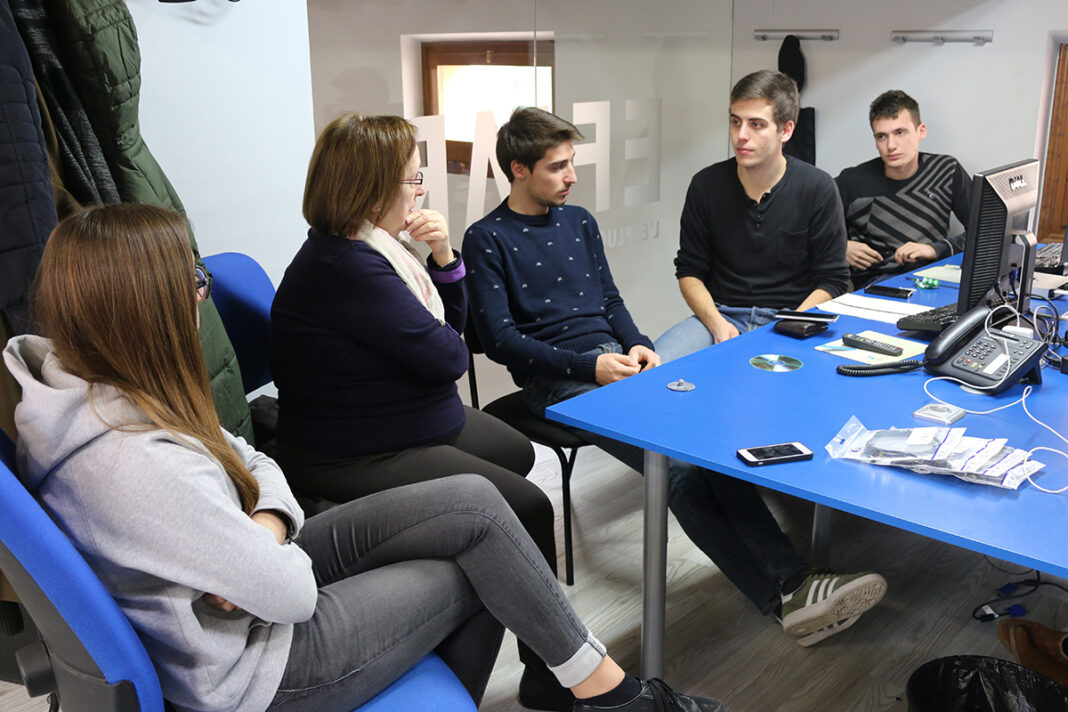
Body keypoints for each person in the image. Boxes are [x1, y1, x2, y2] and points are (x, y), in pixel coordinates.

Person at [4, 203, 723, 712]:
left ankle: (598, 687)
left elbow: (255, 455)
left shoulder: (90, 389)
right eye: (194, 283)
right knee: (478, 570)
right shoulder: (135, 464)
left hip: (248, 579)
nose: (205, 294)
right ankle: (615, 696)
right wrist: (265, 535)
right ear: (149, 309)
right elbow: (290, 595)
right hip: (256, 668)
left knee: (479, 504)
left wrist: (266, 523)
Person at [462, 106, 885, 648]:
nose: (571, 177)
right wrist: (588, 366)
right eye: (558, 167)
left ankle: (796, 586)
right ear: (519, 170)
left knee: (705, 449)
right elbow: (499, 343)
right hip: (559, 382)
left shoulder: (579, 220)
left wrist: (636, 342)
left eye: (572, 164)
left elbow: (608, 299)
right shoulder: (487, 238)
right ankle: (784, 595)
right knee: (679, 470)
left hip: (614, 360)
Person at [268, 114, 565, 709]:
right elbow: (454, 355)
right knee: (528, 504)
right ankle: (548, 670)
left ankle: (480, 570)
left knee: (516, 450)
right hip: (350, 450)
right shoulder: (351, 268)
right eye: (411, 180)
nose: (418, 190)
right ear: (371, 190)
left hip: (400, 413)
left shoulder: (370, 249)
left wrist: (443, 254)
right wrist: (443, 269)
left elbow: (445, 339)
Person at [654, 70, 850, 361]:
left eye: (756, 125)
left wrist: (791, 325)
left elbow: (834, 280)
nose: (741, 135)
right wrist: (717, 324)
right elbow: (689, 271)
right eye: (735, 122)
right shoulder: (706, 185)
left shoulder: (818, 187)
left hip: (792, 316)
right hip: (720, 316)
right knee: (648, 372)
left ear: (786, 130)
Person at [836, 90, 972, 289]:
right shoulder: (851, 181)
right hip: (879, 284)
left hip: (937, 277)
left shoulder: (946, 170)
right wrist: (841, 248)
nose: (891, 145)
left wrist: (935, 250)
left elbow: (986, 232)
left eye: (900, 132)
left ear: (921, 131)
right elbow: (802, 231)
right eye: (881, 136)